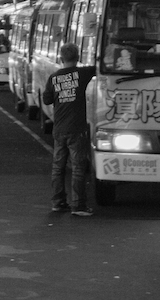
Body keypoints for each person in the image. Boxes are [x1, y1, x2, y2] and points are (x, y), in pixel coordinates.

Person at [42, 42, 95, 217]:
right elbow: (98, 68)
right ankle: (78, 205)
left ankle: (58, 203)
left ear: (61, 58)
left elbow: (47, 100)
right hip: (77, 129)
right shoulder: (83, 74)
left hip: (59, 128)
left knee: (58, 167)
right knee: (78, 167)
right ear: (78, 57)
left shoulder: (54, 77)